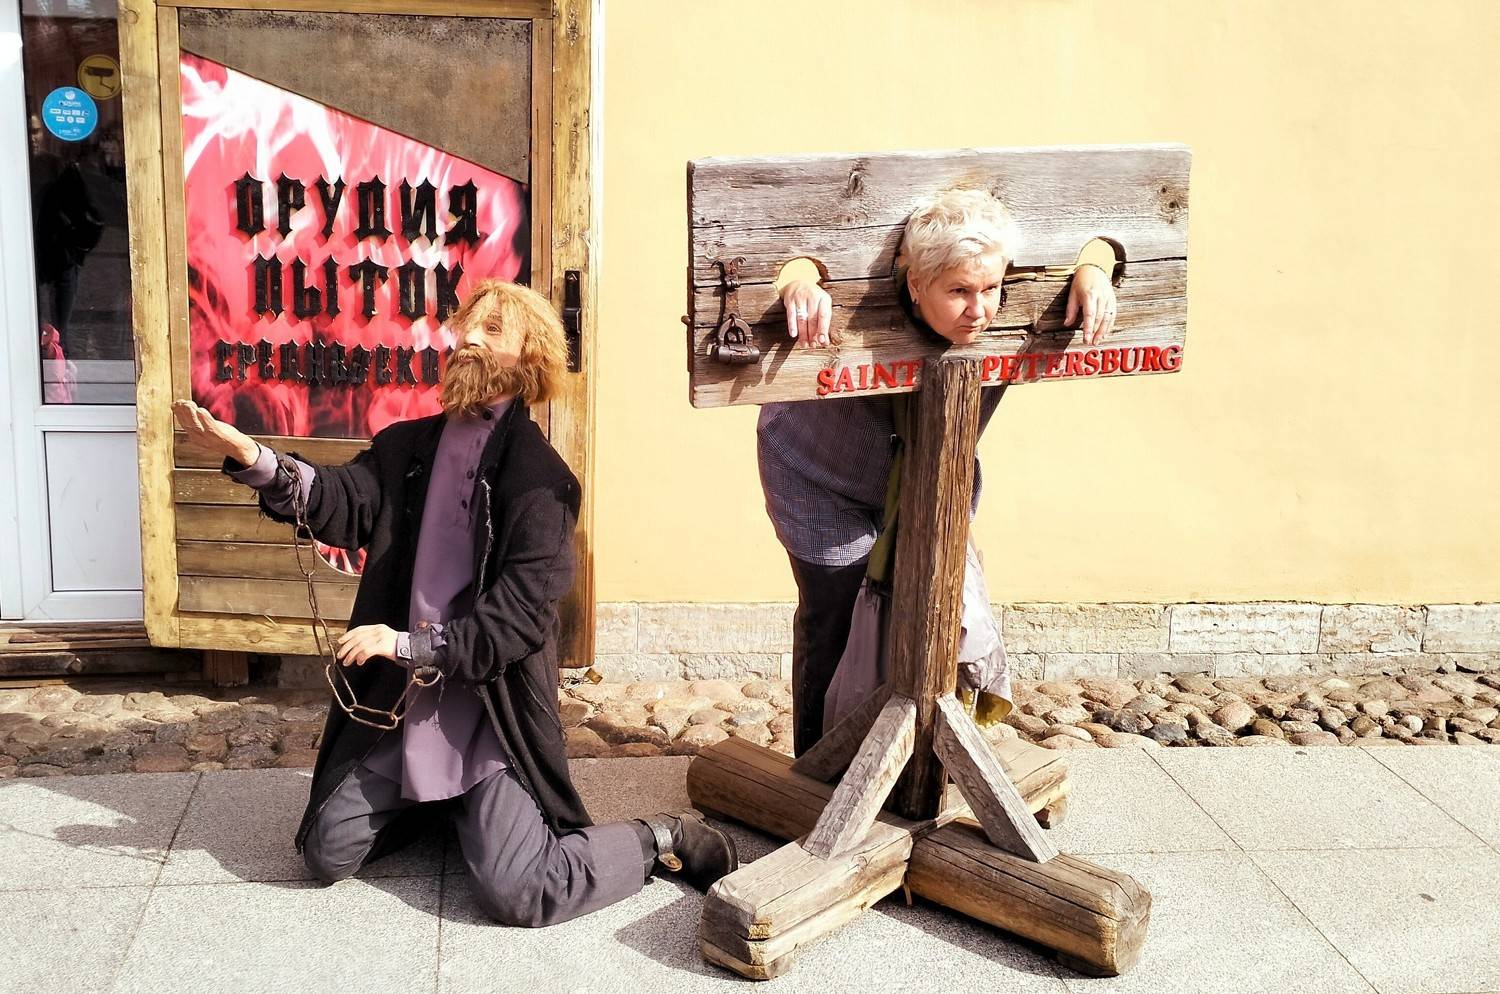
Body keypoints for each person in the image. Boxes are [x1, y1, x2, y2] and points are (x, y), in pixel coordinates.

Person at [172, 278, 736, 926]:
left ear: (530, 358)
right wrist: (254, 458)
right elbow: (343, 500)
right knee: (326, 851)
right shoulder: (406, 447)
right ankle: (443, 805)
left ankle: (659, 837)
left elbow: (514, 623)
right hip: (401, 704)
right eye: (467, 324)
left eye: (493, 329)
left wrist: (405, 644)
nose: (468, 337)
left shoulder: (544, 483)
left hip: (488, 711)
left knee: (521, 893)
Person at [758, 189, 1121, 755]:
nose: (979, 310)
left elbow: (1079, 265)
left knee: (933, 601)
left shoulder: (1008, 312)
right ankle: (818, 766)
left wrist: (1093, 271)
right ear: (913, 284)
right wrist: (795, 288)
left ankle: (911, 761)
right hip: (815, 473)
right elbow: (783, 282)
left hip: (927, 470)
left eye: (991, 288)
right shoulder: (865, 299)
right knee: (837, 612)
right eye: (958, 291)